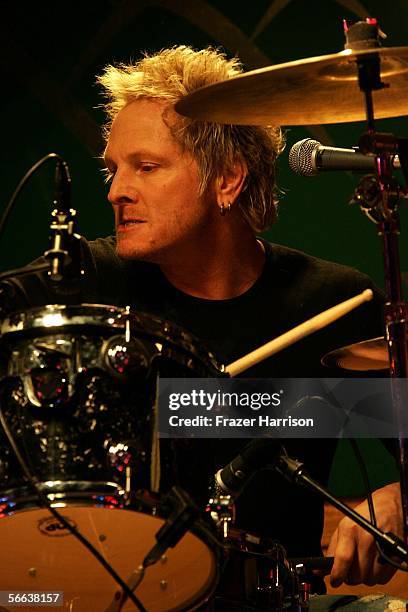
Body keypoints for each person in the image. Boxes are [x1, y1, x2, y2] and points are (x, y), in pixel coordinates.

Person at [7, 46, 405, 609]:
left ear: (227, 179)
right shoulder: (80, 281)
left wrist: (395, 498)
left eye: (145, 167)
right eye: (111, 168)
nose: (115, 190)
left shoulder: (333, 303)